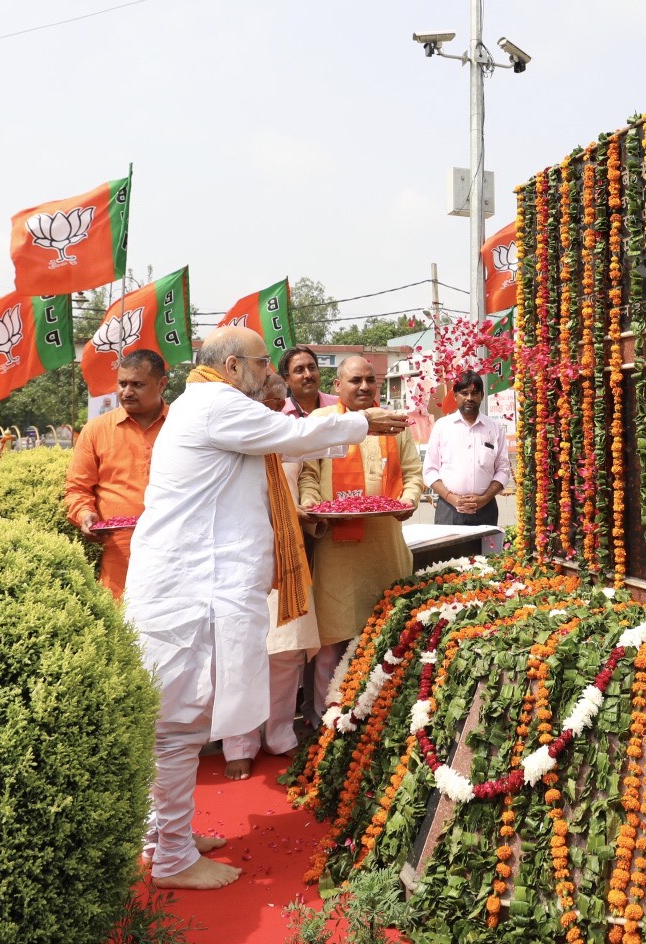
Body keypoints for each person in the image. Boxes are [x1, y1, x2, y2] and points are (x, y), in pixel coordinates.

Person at [126, 326, 407, 890]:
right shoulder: (213, 405)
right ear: (232, 367)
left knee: (177, 724)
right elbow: (286, 433)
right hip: (190, 596)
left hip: (196, 593)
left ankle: (165, 836)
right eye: (262, 363)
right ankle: (173, 856)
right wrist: (361, 423)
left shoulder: (212, 404)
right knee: (178, 726)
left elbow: (286, 439)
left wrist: (341, 429)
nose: (272, 372)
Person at [298, 355, 423, 712]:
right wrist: (312, 504)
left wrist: (409, 500)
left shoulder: (393, 423)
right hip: (336, 552)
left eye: (371, 379)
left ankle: (381, 717)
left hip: (384, 548)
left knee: (386, 637)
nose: (365, 386)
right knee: (331, 645)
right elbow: (308, 473)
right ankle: (328, 720)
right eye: (355, 380)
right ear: (337, 386)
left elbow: (413, 475)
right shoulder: (323, 421)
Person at [220, 373, 325, 781]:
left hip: (289, 561)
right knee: (242, 655)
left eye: (275, 406)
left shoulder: (291, 442)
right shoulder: (231, 445)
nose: (269, 412)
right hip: (242, 562)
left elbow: (307, 488)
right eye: (262, 404)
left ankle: (279, 732)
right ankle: (239, 743)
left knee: (285, 654)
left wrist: (308, 512)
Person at [64, 349, 169, 599]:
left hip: (175, 550)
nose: (126, 392)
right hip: (119, 553)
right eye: (122, 383)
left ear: (162, 384)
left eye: (137, 384)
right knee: (122, 625)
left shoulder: (183, 425)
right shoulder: (96, 430)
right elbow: (77, 489)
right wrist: (86, 516)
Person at [423, 371, 511, 527]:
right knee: (447, 552)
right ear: (455, 396)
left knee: (485, 552)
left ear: (482, 395)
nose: (469, 398)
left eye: (474, 393)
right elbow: (430, 471)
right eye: (464, 393)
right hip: (449, 509)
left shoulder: (495, 428)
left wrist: (484, 499)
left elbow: (503, 470)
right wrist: (452, 498)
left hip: (486, 508)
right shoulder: (442, 427)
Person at [279, 345, 338, 418]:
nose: (308, 375)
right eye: (299, 370)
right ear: (285, 380)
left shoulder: (339, 406)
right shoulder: (279, 414)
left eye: (312, 368)